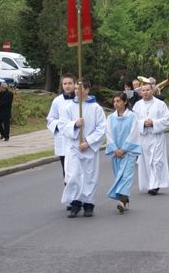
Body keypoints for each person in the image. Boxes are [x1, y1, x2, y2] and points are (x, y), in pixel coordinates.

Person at [60, 80, 107, 218]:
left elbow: (102, 128)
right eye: (75, 89)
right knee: (73, 175)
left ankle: (88, 204)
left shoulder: (96, 108)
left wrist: (88, 141)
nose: (76, 91)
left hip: (88, 149)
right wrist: (75, 124)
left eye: (79, 89)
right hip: (74, 148)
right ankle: (75, 203)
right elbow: (63, 125)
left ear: (87, 90)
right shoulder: (68, 107)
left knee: (89, 177)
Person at [105, 92, 141, 214]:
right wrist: (115, 149)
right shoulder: (110, 118)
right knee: (119, 176)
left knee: (126, 177)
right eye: (114, 101)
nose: (116, 104)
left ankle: (121, 201)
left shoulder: (132, 117)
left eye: (118, 101)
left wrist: (124, 149)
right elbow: (108, 134)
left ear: (125, 102)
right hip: (116, 153)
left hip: (129, 152)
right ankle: (125, 199)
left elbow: (134, 134)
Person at [133, 83, 169, 195]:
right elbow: (133, 121)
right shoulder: (137, 105)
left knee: (156, 161)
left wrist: (154, 123)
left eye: (147, 90)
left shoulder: (160, 104)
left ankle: (155, 185)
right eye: (143, 90)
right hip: (144, 137)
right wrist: (143, 123)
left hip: (157, 136)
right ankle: (150, 183)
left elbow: (166, 119)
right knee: (145, 162)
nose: (145, 92)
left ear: (152, 90)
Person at [47, 73, 76, 184]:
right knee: (66, 171)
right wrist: (62, 125)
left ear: (74, 84)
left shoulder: (79, 100)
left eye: (70, 83)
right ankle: (70, 195)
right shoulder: (57, 101)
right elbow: (50, 119)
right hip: (63, 140)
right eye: (65, 83)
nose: (67, 86)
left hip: (76, 139)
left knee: (77, 170)